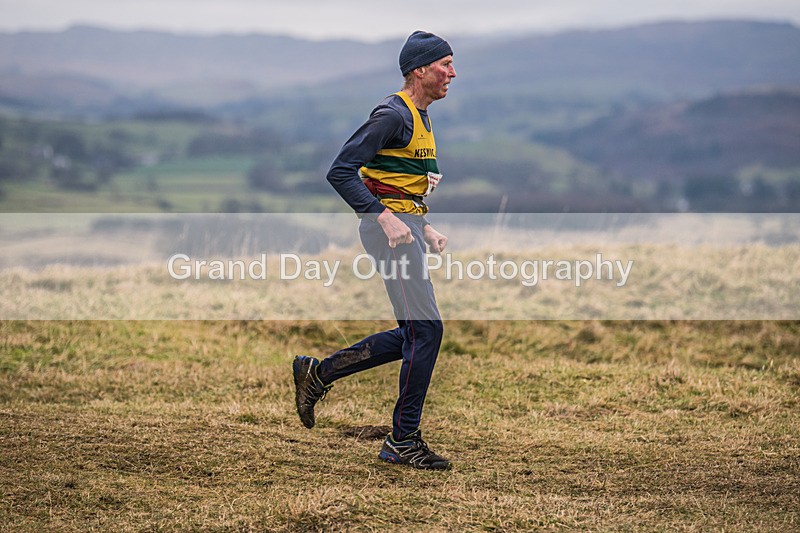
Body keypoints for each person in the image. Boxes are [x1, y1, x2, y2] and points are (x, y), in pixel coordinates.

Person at [292, 30, 456, 470]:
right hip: (388, 234)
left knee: (415, 333)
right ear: (420, 69)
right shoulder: (391, 114)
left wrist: (425, 226)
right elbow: (341, 171)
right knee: (427, 331)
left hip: (405, 231)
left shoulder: (421, 117)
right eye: (445, 65)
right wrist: (383, 217)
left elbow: (395, 183)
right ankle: (402, 441)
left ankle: (318, 374)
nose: (453, 73)